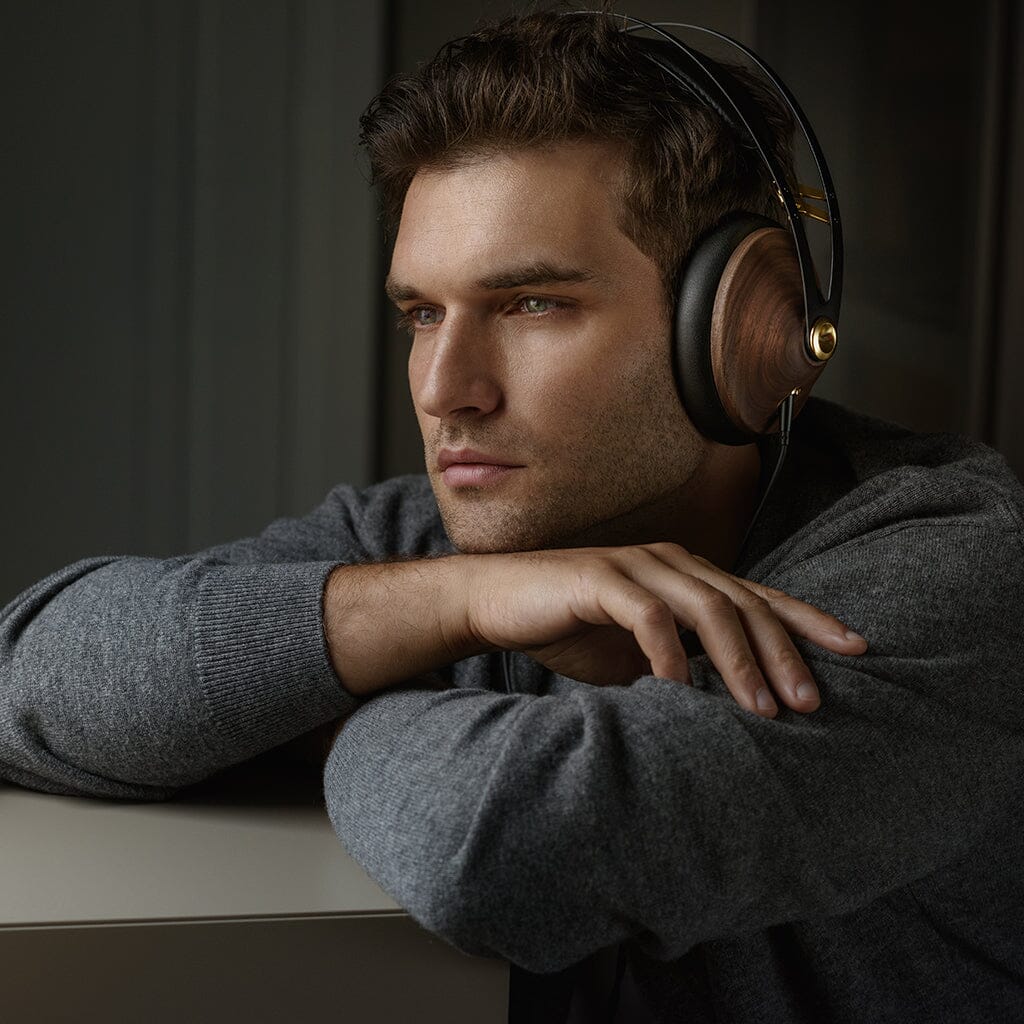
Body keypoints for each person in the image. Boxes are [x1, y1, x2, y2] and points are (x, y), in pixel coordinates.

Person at [2, 8, 1023, 1023]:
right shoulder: (444, 551)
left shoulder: (957, 574)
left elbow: (502, 848)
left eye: (532, 304)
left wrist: (326, 710)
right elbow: (28, 680)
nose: (447, 388)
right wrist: (457, 599)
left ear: (739, 328)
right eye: (421, 314)